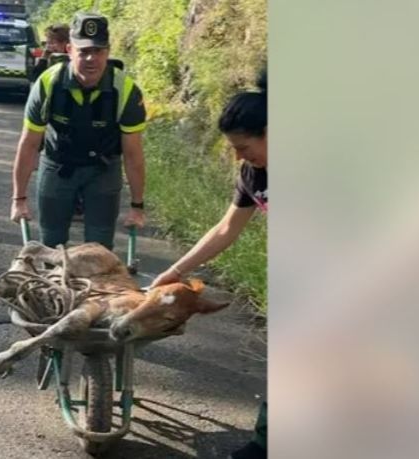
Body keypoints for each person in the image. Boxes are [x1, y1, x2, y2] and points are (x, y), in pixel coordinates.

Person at [149, 72, 268, 459]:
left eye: (244, 146)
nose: (238, 156)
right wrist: (176, 271)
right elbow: (226, 228)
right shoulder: (254, 173)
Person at [10, 12, 147, 250]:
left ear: (108, 51)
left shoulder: (125, 90)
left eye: (98, 51)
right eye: (83, 51)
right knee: (51, 244)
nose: (91, 58)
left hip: (103, 169)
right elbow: (29, 144)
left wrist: (137, 206)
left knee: (99, 247)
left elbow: (133, 154)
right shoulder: (48, 84)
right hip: (58, 165)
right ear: (69, 50)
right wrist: (19, 199)